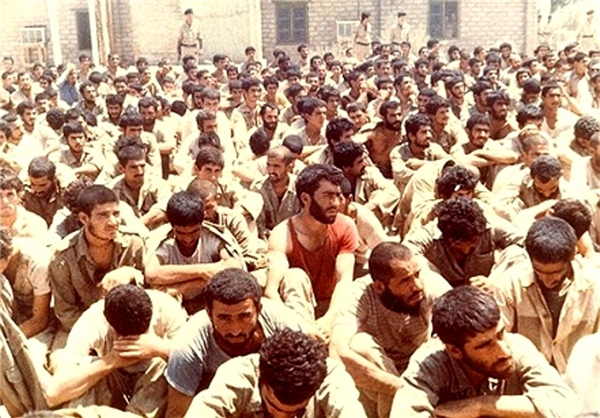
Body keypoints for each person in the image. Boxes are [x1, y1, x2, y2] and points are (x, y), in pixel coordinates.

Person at [390, 285, 577, 417]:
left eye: (501, 334)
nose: (504, 351)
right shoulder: (429, 364)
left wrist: (482, 405)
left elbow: (566, 406)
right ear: (455, 351)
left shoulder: (518, 347)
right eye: (485, 345)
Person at [164, 268, 309, 417]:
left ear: (259, 309)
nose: (235, 330)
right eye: (224, 318)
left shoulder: (285, 327)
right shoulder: (188, 347)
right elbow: (177, 413)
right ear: (209, 313)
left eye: (244, 316)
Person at [331, 243, 450, 417]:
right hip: (381, 372)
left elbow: (461, 319)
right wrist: (402, 388)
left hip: (422, 367)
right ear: (379, 287)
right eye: (405, 281)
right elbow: (337, 351)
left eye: (417, 275)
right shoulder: (359, 294)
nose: (417, 286)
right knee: (359, 344)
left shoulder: (429, 283)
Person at [46, 284, 186, 416]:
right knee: (80, 367)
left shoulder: (167, 308)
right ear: (109, 324)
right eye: (127, 339)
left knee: (170, 364)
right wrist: (111, 361)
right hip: (113, 379)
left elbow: (192, 364)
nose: (133, 346)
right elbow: (53, 394)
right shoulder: (94, 321)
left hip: (150, 386)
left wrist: (158, 348)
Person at [492, 216, 600, 374]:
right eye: (539, 271)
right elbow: (500, 340)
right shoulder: (509, 285)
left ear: (573, 255)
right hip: (527, 377)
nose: (547, 280)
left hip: (581, 378)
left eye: (556, 272)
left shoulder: (595, 286)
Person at [265, 164, 359, 338]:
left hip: (333, 306)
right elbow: (271, 291)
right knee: (294, 276)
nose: (335, 203)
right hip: (293, 310)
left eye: (337, 195)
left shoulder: (345, 226)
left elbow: (344, 283)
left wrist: (328, 320)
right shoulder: (282, 234)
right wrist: (303, 327)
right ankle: (303, 340)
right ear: (305, 198)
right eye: (328, 196)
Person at [185, 328, 366, 418]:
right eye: (274, 406)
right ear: (260, 375)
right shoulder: (238, 374)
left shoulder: (331, 377)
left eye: (293, 413)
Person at [49, 185, 146, 331]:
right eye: (103, 215)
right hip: (84, 328)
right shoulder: (63, 256)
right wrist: (102, 332)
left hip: (131, 324)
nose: (113, 222)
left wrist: (130, 273)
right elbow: (66, 312)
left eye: (116, 213)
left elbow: (150, 288)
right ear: (84, 218)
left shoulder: (133, 243)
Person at [145, 191, 243, 310]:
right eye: (180, 233)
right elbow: (151, 274)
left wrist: (184, 286)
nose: (188, 239)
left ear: (202, 224)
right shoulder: (165, 242)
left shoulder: (211, 237)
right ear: (172, 227)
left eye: (194, 232)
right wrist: (202, 271)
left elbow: (234, 267)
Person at [404, 197, 524, 288]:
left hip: (488, 292)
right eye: (458, 244)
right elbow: (404, 253)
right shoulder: (430, 233)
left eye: (473, 241)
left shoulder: (491, 226)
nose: (467, 249)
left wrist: (496, 281)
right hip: (444, 295)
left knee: (515, 252)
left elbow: (525, 244)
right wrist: (437, 282)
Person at [251, 146, 301, 239]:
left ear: (289, 167)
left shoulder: (299, 188)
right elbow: (259, 226)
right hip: (267, 239)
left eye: (276, 166)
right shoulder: (258, 188)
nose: (271, 170)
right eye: (268, 165)